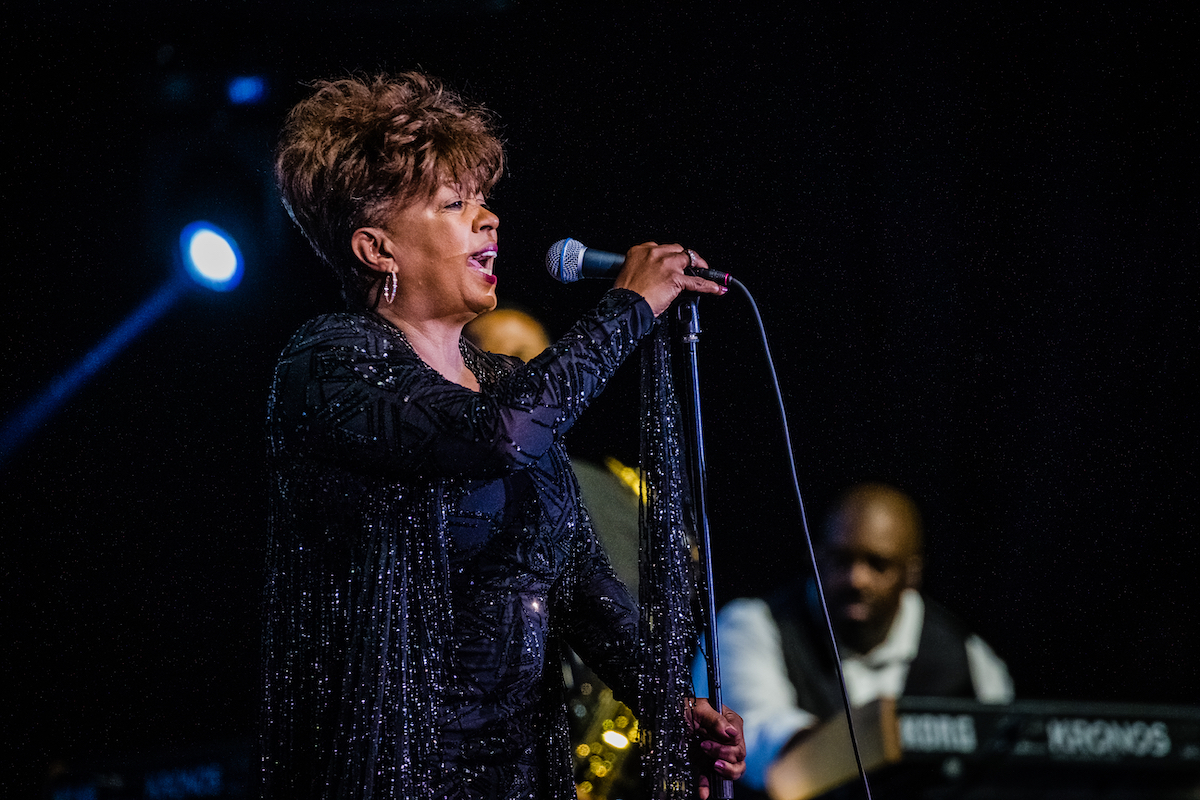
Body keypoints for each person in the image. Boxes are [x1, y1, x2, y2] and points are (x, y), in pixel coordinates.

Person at [262, 72, 744, 800]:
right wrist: (628, 308)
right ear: (376, 247)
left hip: (525, 776)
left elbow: (579, 580)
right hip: (399, 777)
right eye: (454, 204)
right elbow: (498, 437)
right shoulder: (328, 361)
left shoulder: (498, 381)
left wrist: (669, 705)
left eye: (483, 199)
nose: (488, 219)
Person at [696, 483, 1012, 793]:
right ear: (815, 557)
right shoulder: (750, 627)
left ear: (912, 573)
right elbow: (763, 751)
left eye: (878, 564)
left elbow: (1009, 764)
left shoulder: (965, 653)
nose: (856, 579)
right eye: (840, 559)